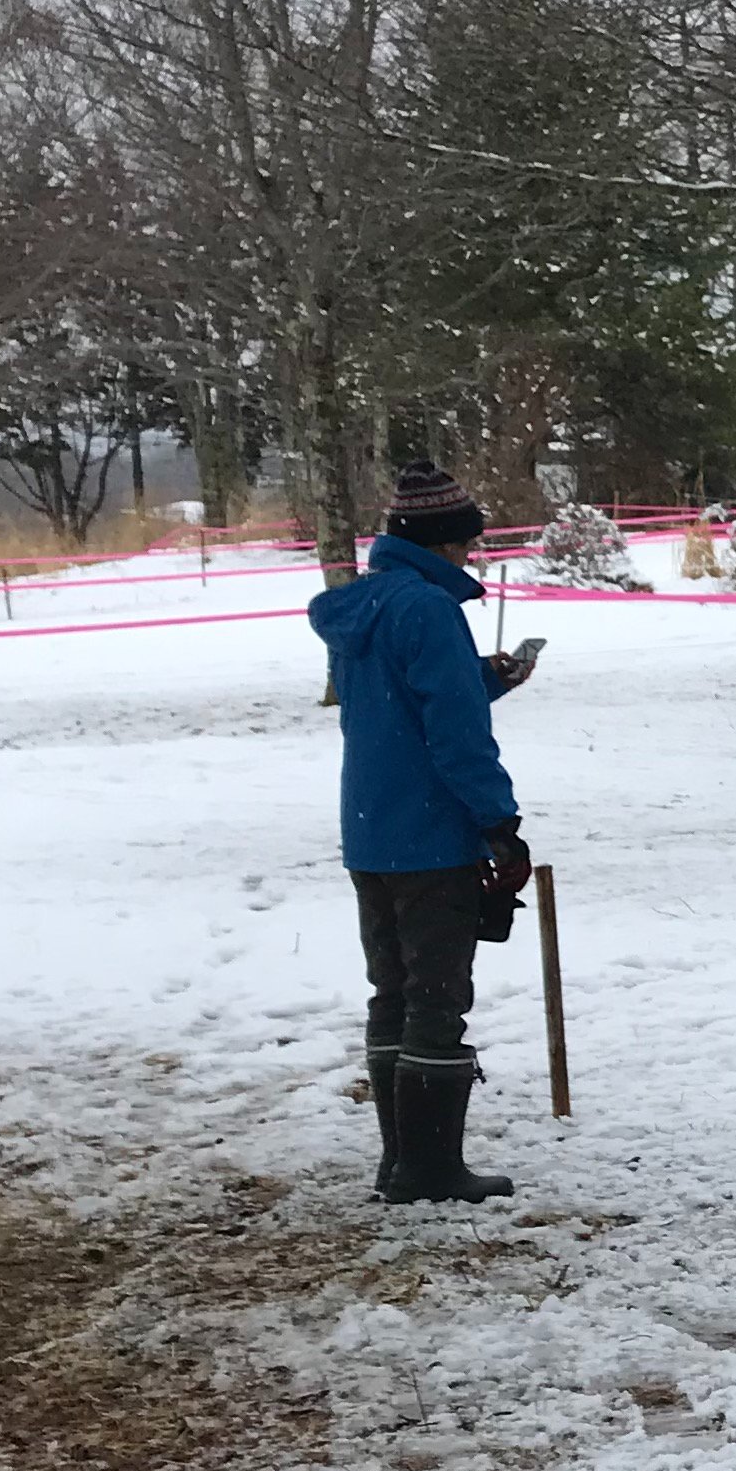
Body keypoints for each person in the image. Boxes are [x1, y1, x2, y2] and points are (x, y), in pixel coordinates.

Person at [305, 463, 538, 1206]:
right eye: (465, 543)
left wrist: (486, 676)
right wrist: (500, 822)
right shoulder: (432, 610)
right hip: (432, 834)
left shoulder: (364, 606)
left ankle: (400, 1160)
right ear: (441, 542)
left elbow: (397, 698)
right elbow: (454, 734)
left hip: (371, 830)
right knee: (437, 999)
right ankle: (429, 1169)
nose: (470, 555)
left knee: (394, 993)